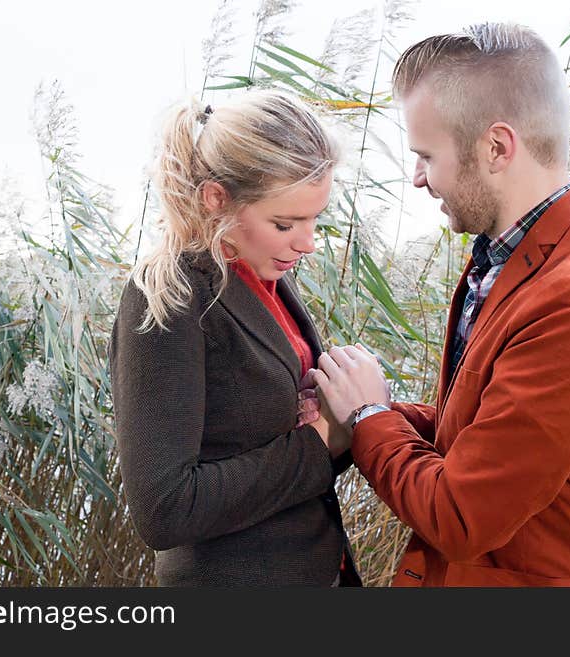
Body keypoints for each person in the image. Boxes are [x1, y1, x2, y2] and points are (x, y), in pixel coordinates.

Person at [300, 23, 570, 586]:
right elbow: (476, 434)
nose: (417, 179)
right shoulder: (507, 261)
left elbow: (461, 515)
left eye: (426, 155)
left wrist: (369, 420)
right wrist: (371, 407)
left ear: (496, 147)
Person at [108, 90, 361, 586]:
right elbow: (165, 509)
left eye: (314, 219)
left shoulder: (263, 276)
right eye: (285, 223)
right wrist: (324, 441)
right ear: (216, 199)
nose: (307, 243)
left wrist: (357, 410)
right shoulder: (170, 297)